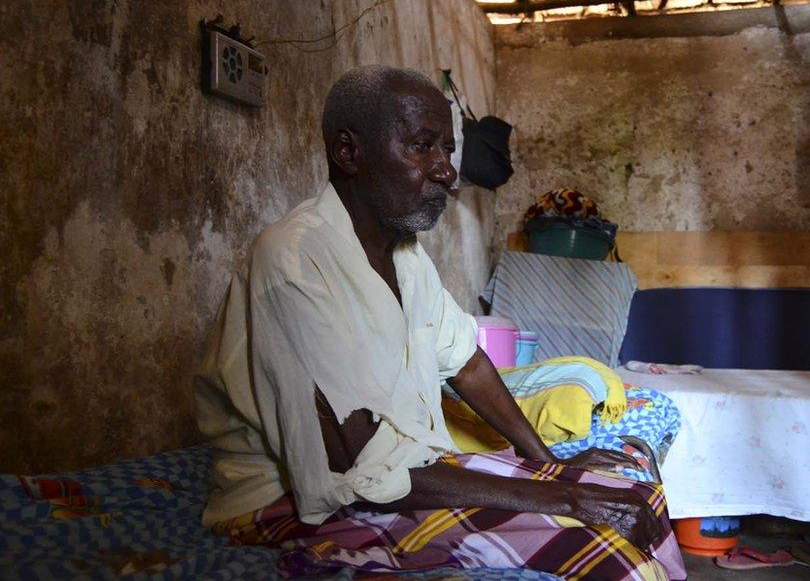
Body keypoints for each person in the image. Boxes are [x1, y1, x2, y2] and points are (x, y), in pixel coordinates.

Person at [195, 66, 685, 580]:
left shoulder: (403, 252)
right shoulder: (294, 263)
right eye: (422, 146)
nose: (446, 171)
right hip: (292, 505)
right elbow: (357, 469)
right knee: (609, 554)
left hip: (411, 474)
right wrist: (561, 496)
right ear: (348, 152)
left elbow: (467, 363)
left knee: (631, 502)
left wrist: (549, 465)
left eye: (447, 150)